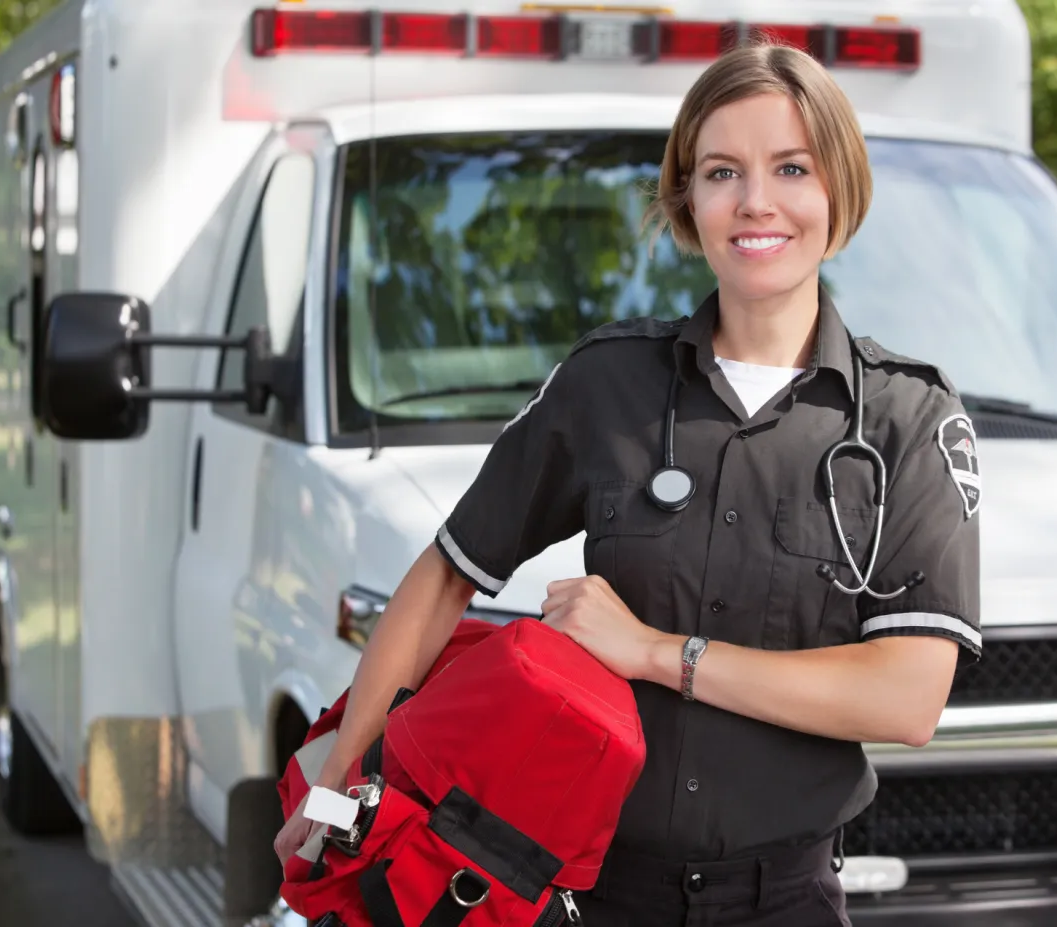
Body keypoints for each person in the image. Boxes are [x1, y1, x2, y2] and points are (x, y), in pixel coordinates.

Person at [276, 40, 982, 927]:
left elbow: (907, 696)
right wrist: (340, 775)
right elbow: (449, 570)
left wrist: (657, 652)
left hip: (787, 901)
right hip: (586, 896)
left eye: (791, 167)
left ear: (839, 186)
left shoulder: (906, 419)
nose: (756, 201)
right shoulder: (608, 384)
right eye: (722, 170)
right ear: (689, 196)